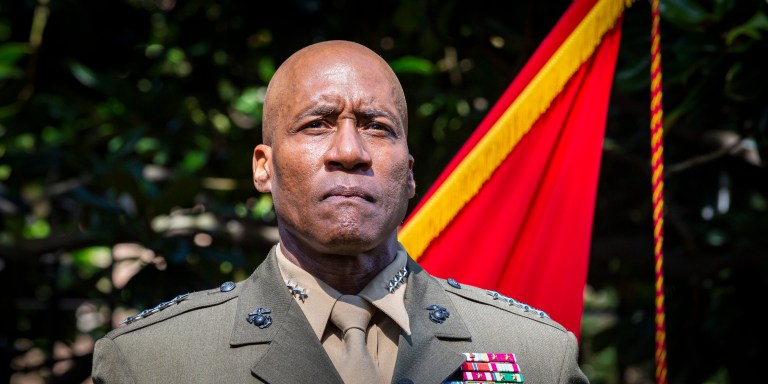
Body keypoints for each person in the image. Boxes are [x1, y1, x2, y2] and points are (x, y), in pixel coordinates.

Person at [91, 40, 589, 384]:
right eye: (316, 124)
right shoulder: (152, 362)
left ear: (410, 173)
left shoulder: (535, 356)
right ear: (263, 168)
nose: (349, 150)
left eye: (376, 126)